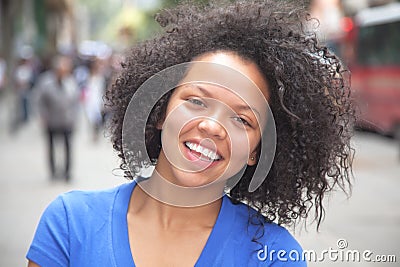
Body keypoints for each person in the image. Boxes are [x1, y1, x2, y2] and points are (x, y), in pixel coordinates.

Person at [26, 1, 355, 266]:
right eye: (196, 101)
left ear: (257, 149)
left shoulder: (273, 255)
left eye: (242, 120)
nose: (212, 126)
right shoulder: (70, 225)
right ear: (160, 111)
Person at [35, 55, 80, 182]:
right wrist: (43, 116)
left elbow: (76, 102)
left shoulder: (71, 82)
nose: (63, 72)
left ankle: (67, 172)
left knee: (68, 147)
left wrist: (75, 118)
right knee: (51, 147)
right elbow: (39, 101)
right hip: (51, 120)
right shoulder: (45, 82)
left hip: (67, 121)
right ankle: (53, 172)